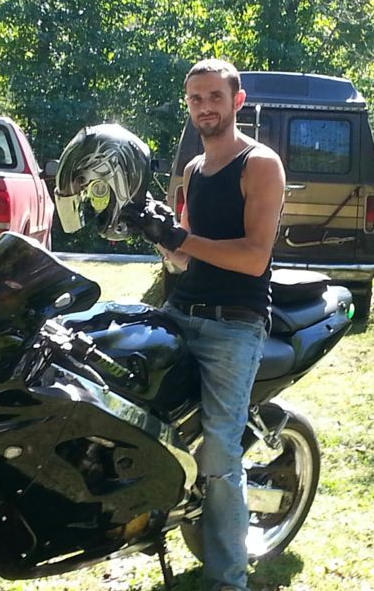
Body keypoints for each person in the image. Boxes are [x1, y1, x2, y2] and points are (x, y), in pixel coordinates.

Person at [137, 59, 285, 591]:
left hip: (233, 326)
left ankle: (227, 579)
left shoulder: (259, 164)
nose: (205, 107)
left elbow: (253, 257)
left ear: (237, 102)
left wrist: (182, 239)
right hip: (181, 312)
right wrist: (156, 232)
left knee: (220, 454)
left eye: (215, 97)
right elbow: (184, 259)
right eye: (196, 99)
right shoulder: (195, 169)